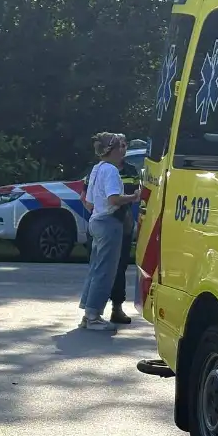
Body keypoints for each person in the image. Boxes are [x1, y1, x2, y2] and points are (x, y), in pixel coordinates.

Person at [78, 132, 139, 331]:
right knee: (106, 271)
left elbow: (88, 201)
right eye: (120, 146)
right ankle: (93, 316)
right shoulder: (112, 171)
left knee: (96, 269)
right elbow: (114, 199)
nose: (123, 150)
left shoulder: (96, 169)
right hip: (109, 221)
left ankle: (88, 312)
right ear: (111, 150)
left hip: (96, 219)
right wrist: (133, 197)